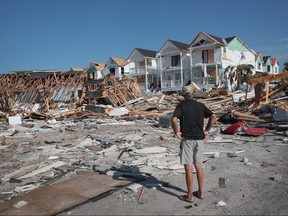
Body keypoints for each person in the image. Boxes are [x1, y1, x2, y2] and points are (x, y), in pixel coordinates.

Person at [171, 85, 217, 203]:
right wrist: (206, 131)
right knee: (198, 165)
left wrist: (176, 131)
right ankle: (201, 193)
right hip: (199, 140)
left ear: (183, 94)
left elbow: (174, 119)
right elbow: (213, 117)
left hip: (187, 140)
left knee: (188, 167)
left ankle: (190, 196)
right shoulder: (200, 106)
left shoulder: (181, 106)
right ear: (193, 94)